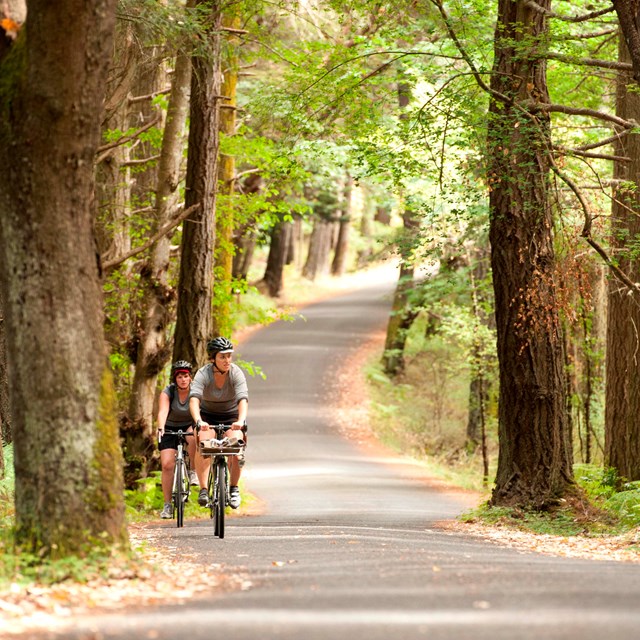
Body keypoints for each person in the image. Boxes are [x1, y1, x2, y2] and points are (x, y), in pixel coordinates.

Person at [190, 337, 248, 509]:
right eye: (222, 357)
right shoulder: (203, 373)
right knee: (204, 443)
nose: (227, 360)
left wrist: (241, 420)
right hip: (207, 417)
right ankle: (203, 489)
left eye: (229, 356)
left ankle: (234, 488)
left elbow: (243, 400)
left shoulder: (236, 373)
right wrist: (199, 421)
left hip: (231, 417)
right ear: (213, 358)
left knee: (237, 445)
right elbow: (194, 400)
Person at [157, 360, 198, 519]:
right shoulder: (168, 392)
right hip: (169, 427)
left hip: (188, 424)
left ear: (190, 378)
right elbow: (162, 412)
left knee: (193, 438)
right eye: (180, 376)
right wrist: (161, 427)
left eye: (186, 376)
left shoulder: (195, 391)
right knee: (167, 465)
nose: (183, 379)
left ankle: (193, 470)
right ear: (175, 378)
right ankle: (167, 505)